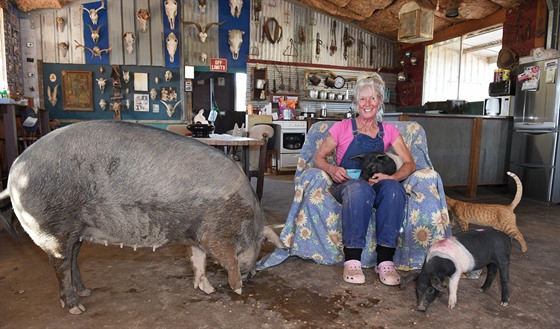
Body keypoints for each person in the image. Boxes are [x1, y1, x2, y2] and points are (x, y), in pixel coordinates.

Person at [313, 72, 416, 286]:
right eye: (362, 99)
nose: (367, 103)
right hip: (348, 185)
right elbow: (318, 157)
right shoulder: (342, 127)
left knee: (394, 189)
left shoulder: (389, 130)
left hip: (377, 185)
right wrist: (332, 170)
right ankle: (352, 260)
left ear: (379, 102)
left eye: (372, 98)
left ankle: (385, 261)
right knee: (359, 190)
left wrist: (392, 177)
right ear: (356, 103)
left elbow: (410, 164)